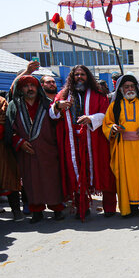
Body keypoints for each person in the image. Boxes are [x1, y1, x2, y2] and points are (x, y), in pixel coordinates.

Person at [50, 65, 116, 220]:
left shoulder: (98, 94)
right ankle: (82, 207)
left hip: (94, 140)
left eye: (83, 74)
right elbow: (52, 114)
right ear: (72, 77)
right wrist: (58, 106)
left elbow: (105, 114)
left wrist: (91, 119)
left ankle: (109, 207)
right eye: (76, 75)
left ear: (88, 77)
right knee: (77, 174)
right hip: (73, 142)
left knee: (103, 171)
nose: (79, 77)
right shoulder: (63, 94)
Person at [102, 74, 139, 219]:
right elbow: (107, 124)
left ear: (136, 87)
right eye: (126, 86)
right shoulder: (114, 106)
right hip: (124, 150)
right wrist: (114, 128)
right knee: (127, 179)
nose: (129, 89)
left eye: (132, 86)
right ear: (121, 89)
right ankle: (131, 208)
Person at [6, 76, 64, 223]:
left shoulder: (48, 104)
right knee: (30, 181)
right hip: (26, 150)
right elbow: (9, 129)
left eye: (33, 85)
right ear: (20, 89)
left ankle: (57, 208)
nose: (30, 88)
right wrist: (19, 142)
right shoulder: (14, 106)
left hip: (48, 149)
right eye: (26, 86)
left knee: (52, 179)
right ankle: (36, 211)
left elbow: (58, 124)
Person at [0, 95, 24, 221]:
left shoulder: (2, 102)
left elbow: (4, 123)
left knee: (9, 180)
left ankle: (16, 210)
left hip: (3, 150)